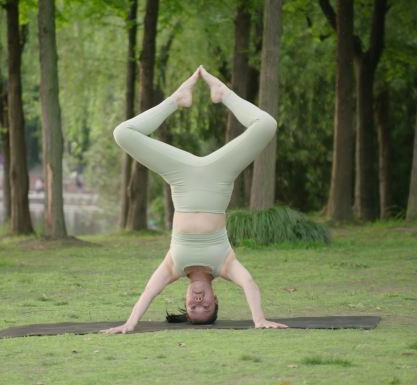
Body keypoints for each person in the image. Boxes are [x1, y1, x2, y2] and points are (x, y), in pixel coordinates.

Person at [102, 66, 288, 334]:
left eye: (192, 308)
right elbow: (249, 284)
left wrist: (131, 323)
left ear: (185, 300)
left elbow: (148, 293)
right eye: (206, 308)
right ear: (216, 299)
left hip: (180, 175)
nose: (198, 304)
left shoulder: (172, 266)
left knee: (123, 133)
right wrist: (259, 319)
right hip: (220, 174)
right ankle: (223, 93)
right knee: (267, 125)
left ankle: (176, 100)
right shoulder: (225, 264)